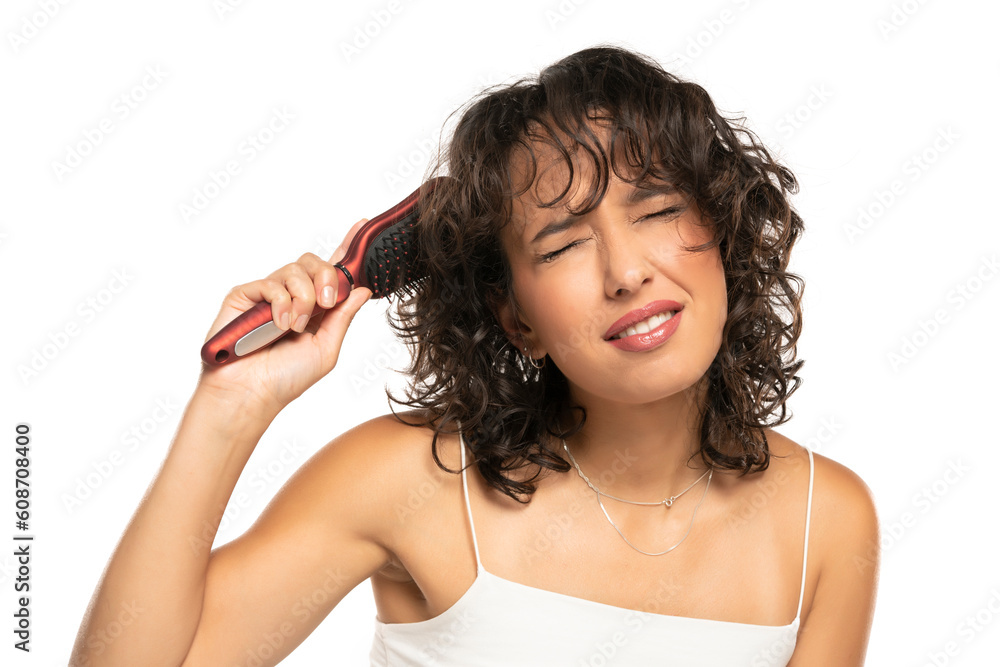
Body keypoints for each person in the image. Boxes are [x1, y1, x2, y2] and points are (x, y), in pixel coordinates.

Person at [71, 45, 879, 666]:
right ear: (515, 315)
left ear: (724, 231)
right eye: (561, 245)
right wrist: (230, 408)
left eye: (658, 209)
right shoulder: (409, 479)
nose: (627, 272)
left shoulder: (828, 523)